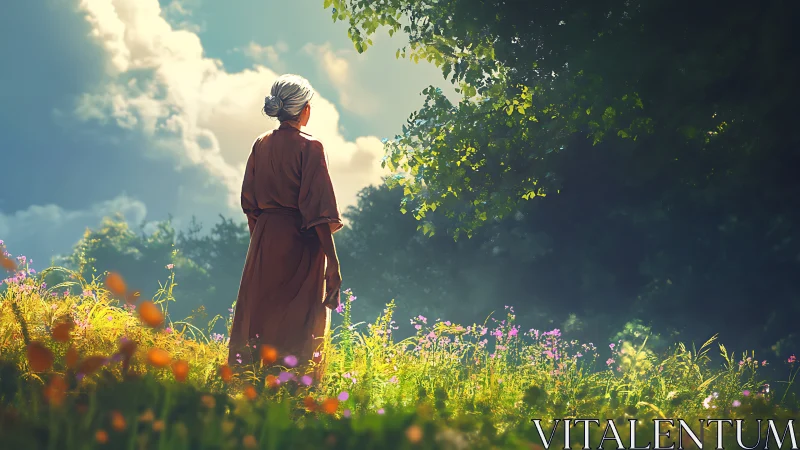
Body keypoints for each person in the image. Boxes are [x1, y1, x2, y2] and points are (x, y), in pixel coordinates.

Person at [227, 74, 343, 381]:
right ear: (305, 110)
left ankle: (250, 378)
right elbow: (319, 210)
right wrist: (332, 262)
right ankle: (294, 384)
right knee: (299, 318)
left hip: (265, 238)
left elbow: (249, 202)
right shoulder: (311, 147)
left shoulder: (260, 144)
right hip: (301, 240)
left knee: (261, 312)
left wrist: (261, 242)